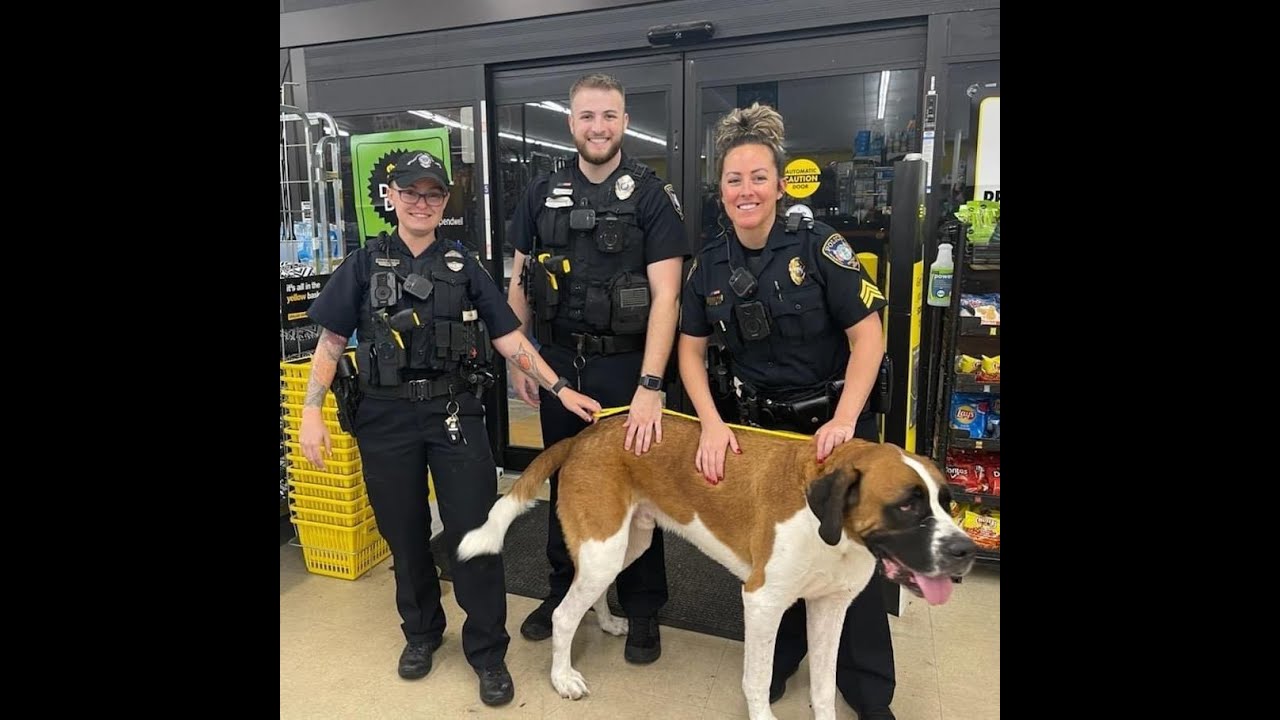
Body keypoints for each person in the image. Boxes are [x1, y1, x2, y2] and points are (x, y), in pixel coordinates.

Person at [299, 150, 601, 707]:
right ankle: (422, 632)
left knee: (475, 536)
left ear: (444, 203)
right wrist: (311, 411)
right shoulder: (364, 265)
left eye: (433, 194)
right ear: (390, 198)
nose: (421, 202)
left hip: (455, 413)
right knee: (405, 533)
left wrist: (560, 388)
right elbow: (332, 341)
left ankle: (488, 652)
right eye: (410, 192)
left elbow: (511, 340)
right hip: (384, 418)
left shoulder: (466, 267)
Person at [676, 103, 898, 720]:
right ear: (720, 190)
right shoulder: (710, 266)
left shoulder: (821, 247)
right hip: (762, 436)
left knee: (854, 556)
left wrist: (847, 420)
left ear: (777, 183)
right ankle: (784, 659)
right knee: (782, 558)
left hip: (833, 426)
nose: (745, 191)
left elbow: (869, 339)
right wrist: (712, 423)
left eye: (756, 178)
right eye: (733, 180)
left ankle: (869, 689)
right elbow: (689, 354)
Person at [505, 72, 687, 664]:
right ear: (571, 123)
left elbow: (668, 297)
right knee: (566, 485)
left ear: (624, 121)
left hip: (626, 370)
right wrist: (522, 361)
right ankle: (564, 592)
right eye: (587, 116)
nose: (598, 127)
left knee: (643, 487)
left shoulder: (652, 196)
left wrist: (652, 386)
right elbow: (520, 283)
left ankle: (642, 609)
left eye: (609, 116)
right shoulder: (540, 193)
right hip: (558, 363)